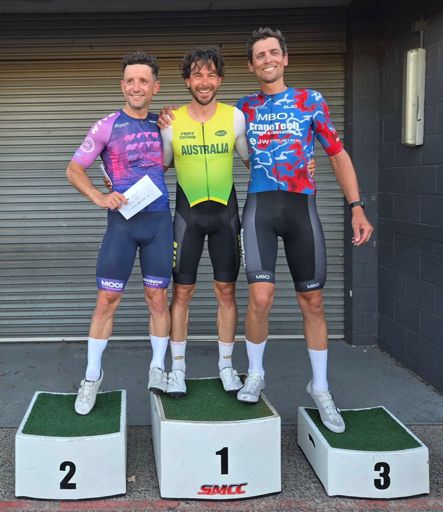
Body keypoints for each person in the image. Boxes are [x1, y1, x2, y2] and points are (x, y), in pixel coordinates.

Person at [235, 27, 373, 433]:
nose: (267, 59)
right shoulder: (242, 107)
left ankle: (320, 386)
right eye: (260, 55)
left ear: (285, 58)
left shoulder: (311, 100)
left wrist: (357, 207)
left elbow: (337, 154)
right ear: (251, 65)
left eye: (273, 52)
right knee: (260, 296)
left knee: (313, 301)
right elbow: (211, 132)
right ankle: (255, 373)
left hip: (301, 209)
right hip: (260, 208)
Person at [66, 51, 173, 415]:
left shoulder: (166, 124)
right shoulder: (107, 126)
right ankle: (91, 377)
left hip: (159, 223)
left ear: (155, 87)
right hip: (122, 226)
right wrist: (99, 196)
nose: (136, 87)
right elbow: (74, 168)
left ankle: (158, 367)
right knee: (106, 300)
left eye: (143, 80)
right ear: (122, 85)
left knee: (158, 298)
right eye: (130, 80)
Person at [160, 47, 250, 398]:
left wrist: (301, 166)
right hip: (188, 217)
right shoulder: (171, 122)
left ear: (220, 79)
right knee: (182, 292)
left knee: (226, 291)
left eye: (211, 74)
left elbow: (254, 161)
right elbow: (158, 165)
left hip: (226, 216)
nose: (204, 81)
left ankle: (226, 367)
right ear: (187, 80)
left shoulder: (236, 118)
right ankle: (178, 369)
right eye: (197, 74)